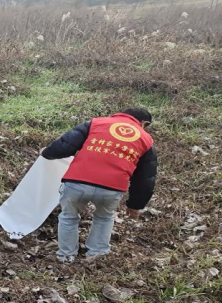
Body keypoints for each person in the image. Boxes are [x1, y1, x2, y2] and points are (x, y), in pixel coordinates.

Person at [42, 108, 158, 262]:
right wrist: (135, 205)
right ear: (144, 123)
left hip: (77, 181)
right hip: (111, 188)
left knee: (68, 217)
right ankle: (96, 255)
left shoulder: (95, 123)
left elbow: (66, 144)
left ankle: (66, 255)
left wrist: (47, 152)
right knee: (104, 218)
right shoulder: (146, 139)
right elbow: (145, 178)